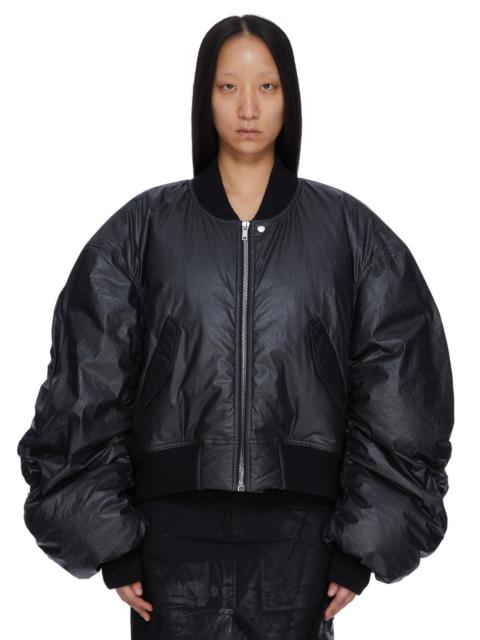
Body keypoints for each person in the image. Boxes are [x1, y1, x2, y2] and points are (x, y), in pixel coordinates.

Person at [16, 14, 455, 640]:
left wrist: (363, 545)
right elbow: (86, 386)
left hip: (302, 545)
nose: (248, 107)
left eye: (266, 87)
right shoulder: (143, 229)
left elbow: (404, 388)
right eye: (229, 86)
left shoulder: (349, 233)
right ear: (205, 96)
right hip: (169, 544)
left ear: (289, 97)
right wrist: (108, 541)